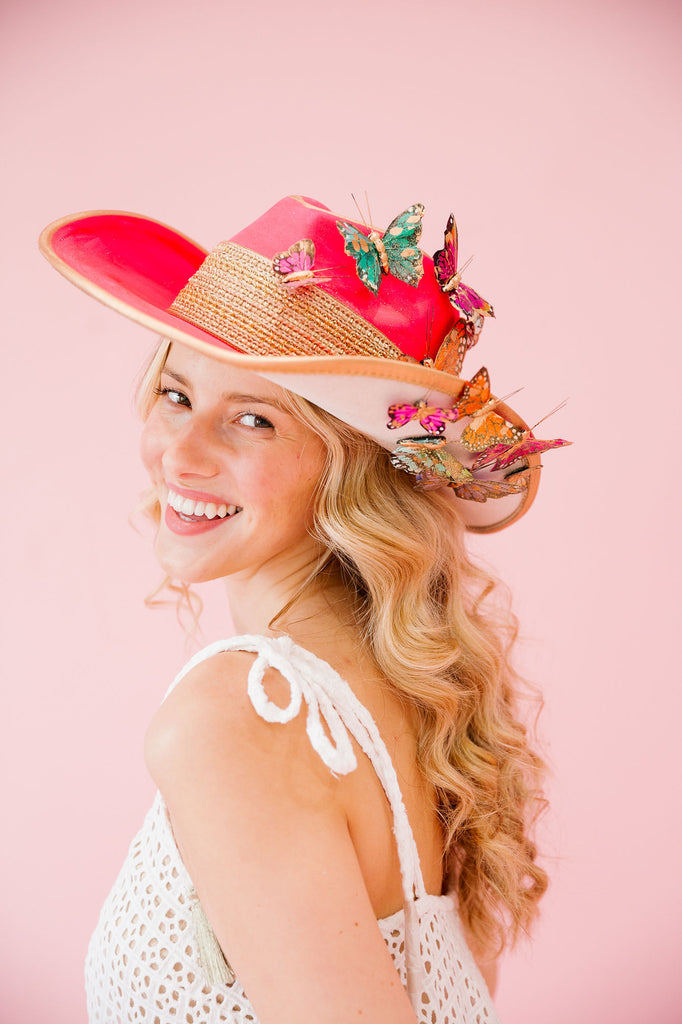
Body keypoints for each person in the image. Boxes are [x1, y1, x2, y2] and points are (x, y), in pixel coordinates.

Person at [40, 195, 558, 1024]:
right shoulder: (426, 704)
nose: (182, 451)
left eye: (253, 419)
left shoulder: (240, 717)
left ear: (349, 472)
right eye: (176, 394)